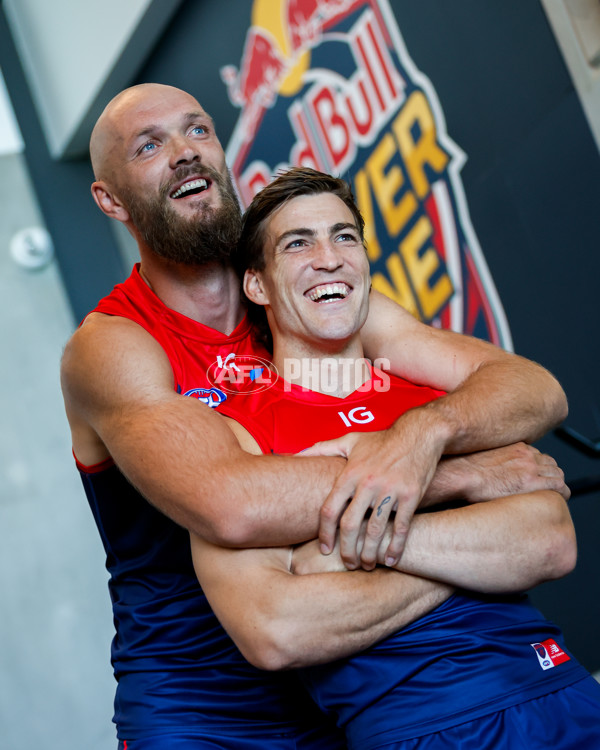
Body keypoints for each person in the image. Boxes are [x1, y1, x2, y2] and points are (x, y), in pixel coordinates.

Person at [60, 83, 569, 747]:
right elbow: (231, 506)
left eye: (198, 131)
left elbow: (531, 389)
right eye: (150, 146)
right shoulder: (114, 344)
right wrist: (454, 478)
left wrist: (428, 430)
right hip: (205, 706)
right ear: (110, 198)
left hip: (347, 673)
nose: (185, 153)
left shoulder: (295, 286)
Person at [191, 166, 600, 749]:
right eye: (298, 243)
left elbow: (549, 537)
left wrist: (339, 544)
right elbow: (275, 630)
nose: (328, 257)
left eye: (344, 236)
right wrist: (472, 536)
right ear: (257, 286)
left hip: (558, 689)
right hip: (412, 729)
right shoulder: (237, 434)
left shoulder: (436, 397)